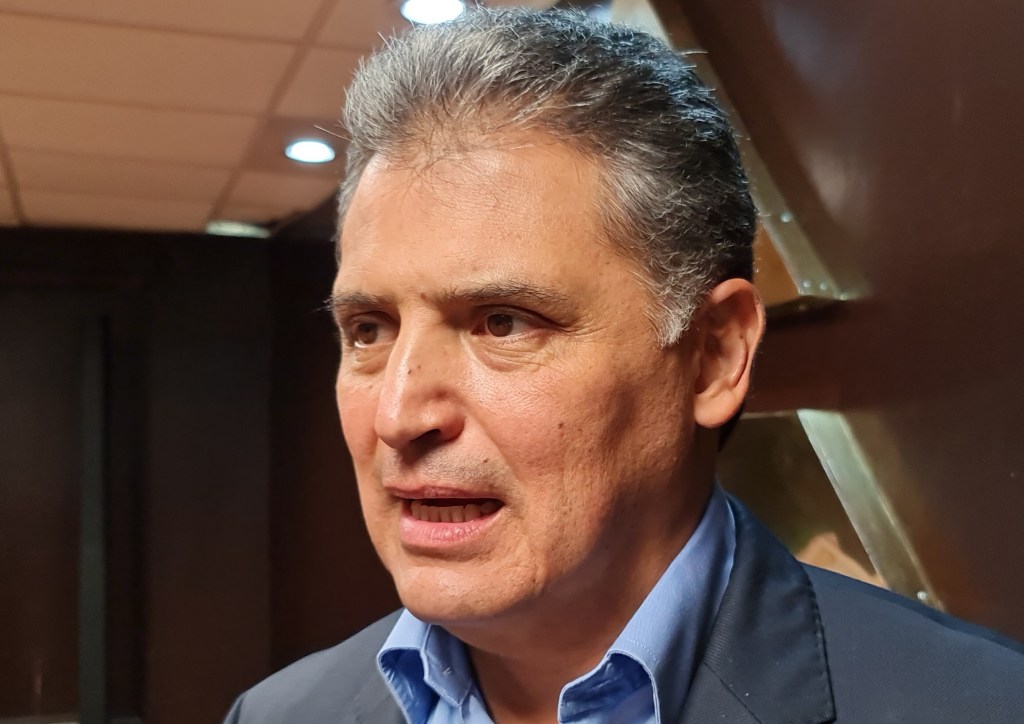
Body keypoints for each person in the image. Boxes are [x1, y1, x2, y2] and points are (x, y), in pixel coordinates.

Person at [226, 9, 1024, 723]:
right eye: (368, 329)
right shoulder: (280, 714)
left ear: (714, 355)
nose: (399, 416)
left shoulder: (977, 705)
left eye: (503, 322)